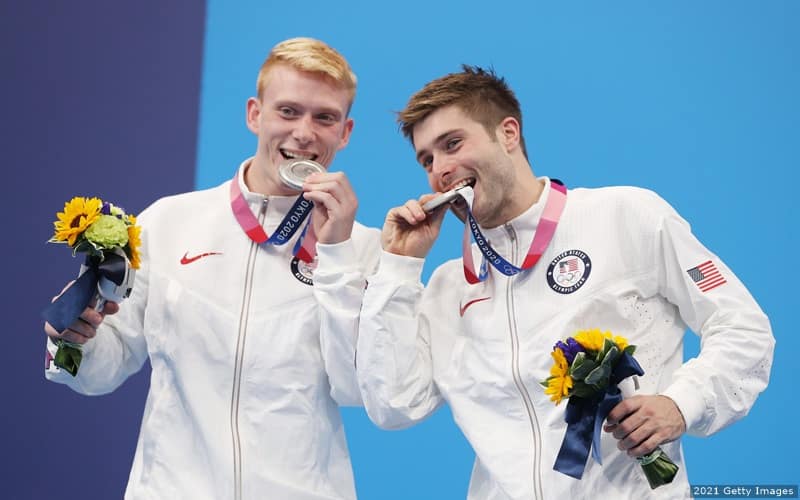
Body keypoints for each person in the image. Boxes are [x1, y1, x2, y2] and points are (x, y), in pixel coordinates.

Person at [356, 65, 774, 499]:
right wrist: (398, 269)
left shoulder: (624, 216)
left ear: (508, 133)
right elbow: (393, 404)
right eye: (427, 159)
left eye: (452, 144)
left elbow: (744, 328)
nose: (440, 169)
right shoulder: (449, 286)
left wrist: (682, 404)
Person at [43, 37, 380, 500]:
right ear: (254, 114)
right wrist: (74, 343)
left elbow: (360, 389)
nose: (304, 133)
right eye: (287, 111)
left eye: (324, 117)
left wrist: (337, 255)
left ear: (345, 132)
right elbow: (109, 365)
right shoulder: (168, 221)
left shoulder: (361, 248)